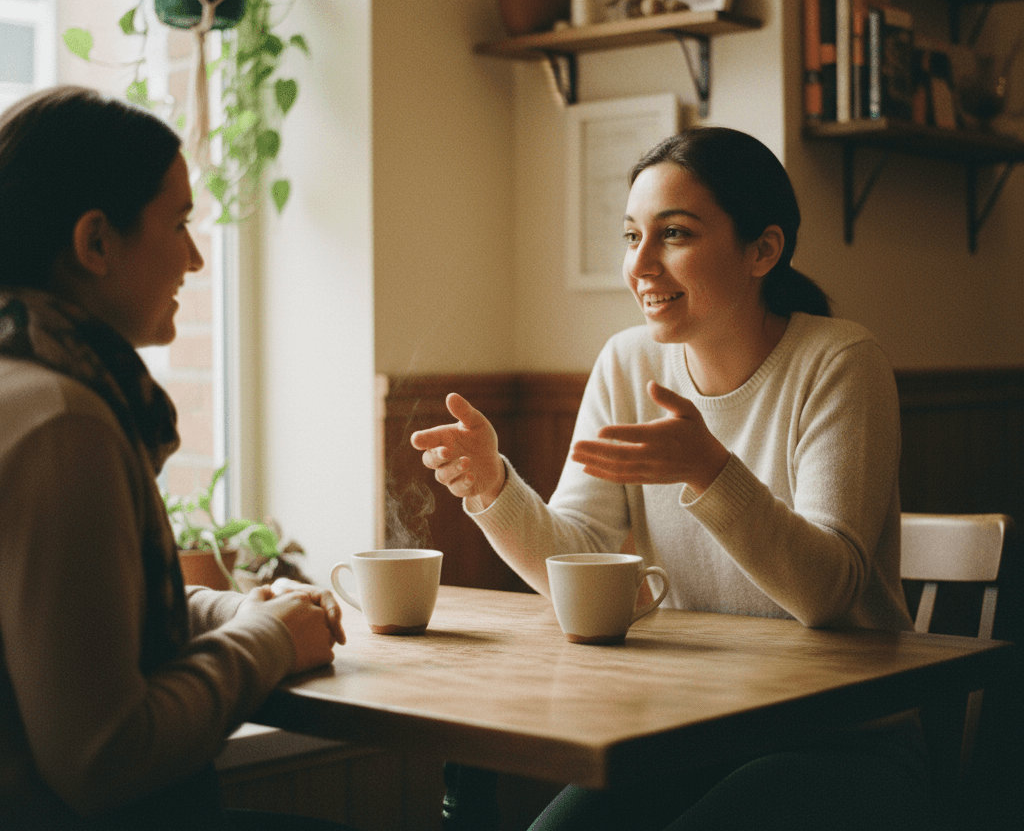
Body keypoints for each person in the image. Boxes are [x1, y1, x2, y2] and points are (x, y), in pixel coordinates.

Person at [411, 127, 930, 830]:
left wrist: (707, 467)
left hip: (845, 743)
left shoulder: (839, 360)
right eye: (632, 237)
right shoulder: (627, 364)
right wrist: (492, 489)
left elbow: (829, 592)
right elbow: (583, 556)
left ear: (763, 250)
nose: (642, 265)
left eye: (674, 235)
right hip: (686, 734)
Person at [0, 86, 352, 830]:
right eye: (181, 222)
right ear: (95, 242)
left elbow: (76, 627)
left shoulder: (26, 386)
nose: (194, 257)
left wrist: (232, 610)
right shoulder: (62, 424)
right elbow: (104, 758)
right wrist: (268, 640)